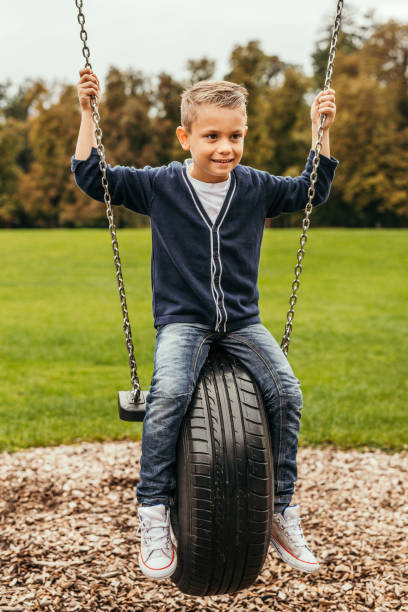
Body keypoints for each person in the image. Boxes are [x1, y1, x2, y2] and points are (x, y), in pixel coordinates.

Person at [72, 67, 338, 580]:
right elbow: (92, 176)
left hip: (241, 322)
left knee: (286, 391)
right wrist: (87, 114)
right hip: (183, 322)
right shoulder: (160, 185)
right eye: (211, 136)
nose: (225, 147)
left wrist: (320, 130)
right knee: (169, 392)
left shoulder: (256, 187)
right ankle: (153, 511)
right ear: (185, 137)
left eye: (235, 136)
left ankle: (282, 509)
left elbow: (311, 191)